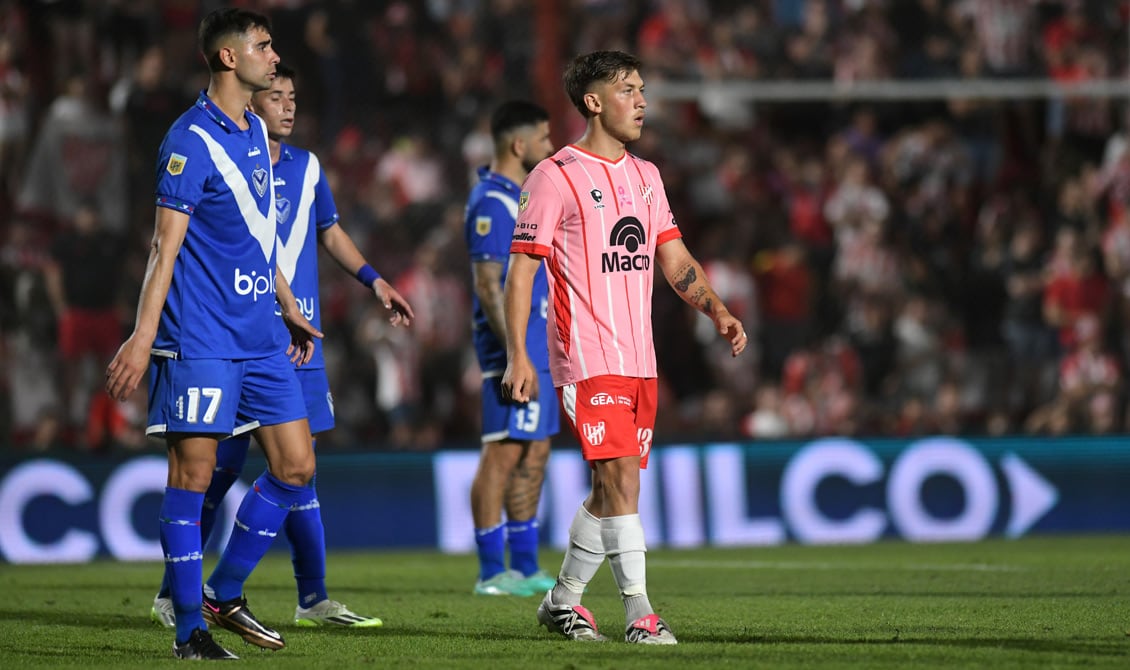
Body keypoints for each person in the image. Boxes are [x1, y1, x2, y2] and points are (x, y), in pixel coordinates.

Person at [149, 63, 414, 631]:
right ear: (251, 101)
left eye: (294, 97)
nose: (289, 106)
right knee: (213, 470)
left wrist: (374, 280)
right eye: (277, 96)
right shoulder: (221, 154)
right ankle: (181, 595)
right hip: (228, 334)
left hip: (295, 338)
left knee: (300, 468)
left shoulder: (306, 166)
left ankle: (308, 597)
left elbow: (328, 231)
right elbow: (176, 242)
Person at [501, 50, 748, 645]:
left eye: (642, 88)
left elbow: (674, 258)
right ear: (592, 101)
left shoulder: (647, 176)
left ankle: (562, 600)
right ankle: (640, 613)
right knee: (619, 483)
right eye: (628, 89)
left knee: (615, 488)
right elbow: (521, 271)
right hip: (585, 356)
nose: (641, 100)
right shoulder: (554, 176)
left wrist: (716, 308)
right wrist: (519, 353)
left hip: (640, 358)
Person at [105, 9, 320, 660]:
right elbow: (161, 250)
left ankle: (225, 590)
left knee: (297, 466)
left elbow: (256, 238)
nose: (274, 55)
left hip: (259, 336)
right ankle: (189, 627)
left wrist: (285, 304)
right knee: (193, 476)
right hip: (198, 338)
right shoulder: (188, 140)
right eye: (263, 46)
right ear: (229, 59)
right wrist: (143, 339)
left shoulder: (253, 128)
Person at [464, 100, 557, 597]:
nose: (550, 147)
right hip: (510, 352)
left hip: (541, 346)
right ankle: (489, 572)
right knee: (501, 454)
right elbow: (487, 286)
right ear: (519, 145)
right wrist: (515, 352)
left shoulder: (521, 200)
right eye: (544, 139)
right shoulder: (492, 204)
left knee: (534, 452)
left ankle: (523, 565)